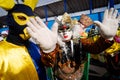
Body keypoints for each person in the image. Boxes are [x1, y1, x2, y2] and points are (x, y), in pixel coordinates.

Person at [26, 8, 120, 80]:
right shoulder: (55, 45)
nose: (65, 33)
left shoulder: (79, 42)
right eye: (61, 30)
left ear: (73, 30)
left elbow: (95, 48)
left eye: (68, 29)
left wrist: (107, 38)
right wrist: (48, 50)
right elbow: (48, 63)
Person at [0, 0, 58, 80]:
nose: (28, 25)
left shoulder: (33, 46)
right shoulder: (1, 51)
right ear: (10, 20)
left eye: (31, 20)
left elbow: (48, 65)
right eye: (22, 18)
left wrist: (49, 51)